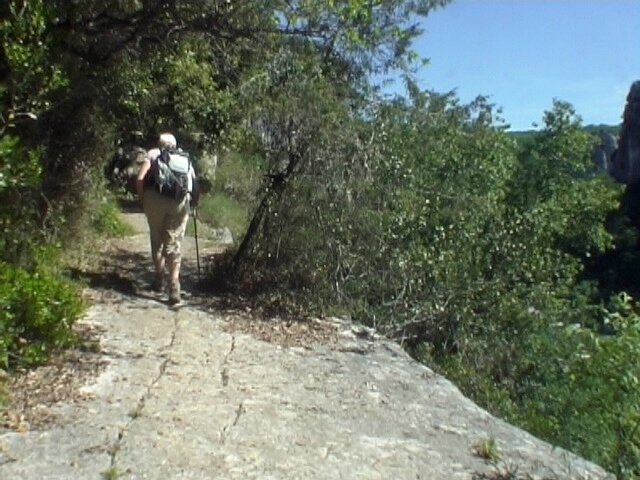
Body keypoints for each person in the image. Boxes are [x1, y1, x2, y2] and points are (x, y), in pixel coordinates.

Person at [136, 133, 196, 305]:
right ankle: (174, 284)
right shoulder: (184, 158)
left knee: (157, 239)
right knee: (174, 242)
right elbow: (193, 185)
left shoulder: (154, 153)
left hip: (154, 201)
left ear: (160, 143)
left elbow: (140, 179)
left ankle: (159, 279)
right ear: (175, 145)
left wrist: (142, 200)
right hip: (178, 203)